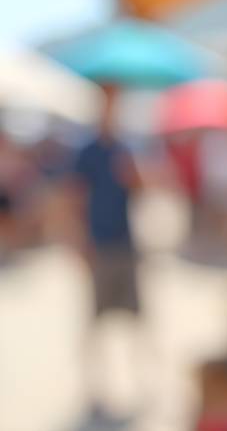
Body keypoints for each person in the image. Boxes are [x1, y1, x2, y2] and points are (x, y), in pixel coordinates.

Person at [73, 83, 141, 315]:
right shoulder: (88, 151)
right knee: (97, 309)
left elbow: (139, 190)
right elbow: (75, 196)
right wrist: (79, 238)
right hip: (98, 238)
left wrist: (132, 175)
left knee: (134, 309)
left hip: (124, 237)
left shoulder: (125, 149)